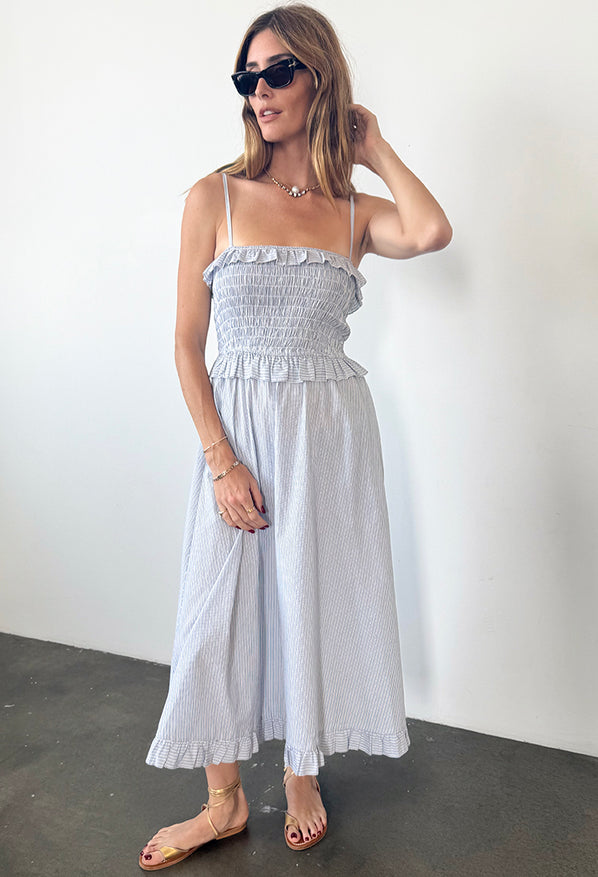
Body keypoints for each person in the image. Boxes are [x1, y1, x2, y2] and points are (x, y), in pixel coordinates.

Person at [139, 2, 452, 870]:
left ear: (320, 78)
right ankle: (223, 799)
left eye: (279, 71)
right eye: (249, 77)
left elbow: (429, 230)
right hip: (238, 430)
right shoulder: (217, 197)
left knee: (309, 595)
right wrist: (219, 456)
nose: (260, 90)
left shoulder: (353, 212)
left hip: (331, 434)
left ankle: (304, 768)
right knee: (220, 609)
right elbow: (185, 344)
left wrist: (372, 145)